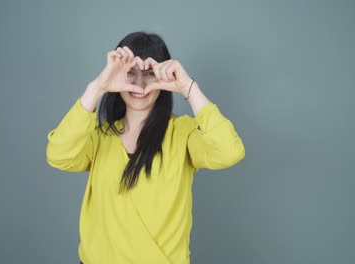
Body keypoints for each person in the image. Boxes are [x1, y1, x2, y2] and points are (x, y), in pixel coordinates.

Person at [46, 31, 245, 264]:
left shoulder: (183, 133)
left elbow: (229, 151)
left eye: (150, 74)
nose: (139, 84)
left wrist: (188, 87)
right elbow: (58, 155)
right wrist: (98, 87)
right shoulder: (99, 136)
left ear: (163, 78)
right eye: (130, 73)